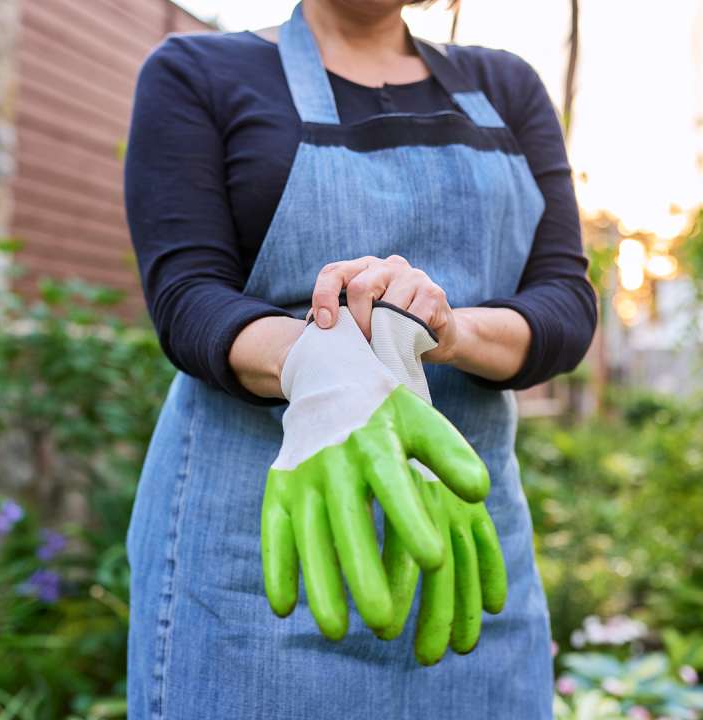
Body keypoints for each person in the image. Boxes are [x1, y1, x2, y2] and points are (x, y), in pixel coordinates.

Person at [123, 1, 597, 717]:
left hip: (460, 543)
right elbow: (189, 299)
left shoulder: (506, 89)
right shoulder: (200, 72)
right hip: (251, 566)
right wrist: (323, 365)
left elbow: (564, 303)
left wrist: (439, 330)